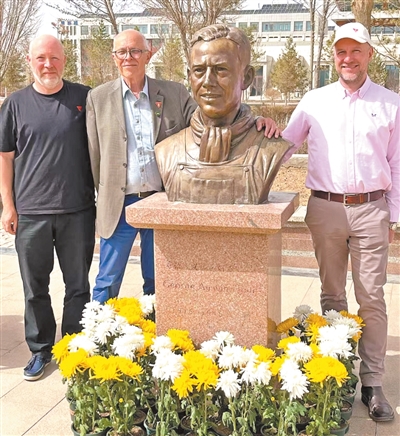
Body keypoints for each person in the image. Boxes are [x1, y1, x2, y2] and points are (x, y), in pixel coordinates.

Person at [86, 29, 279, 303]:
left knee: (159, 281)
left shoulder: (172, 93)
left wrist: (254, 121)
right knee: (107, 281)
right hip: (118, 204)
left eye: (136, 51)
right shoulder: (98, 98)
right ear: (114, 57)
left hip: (160, 200)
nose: (129, 57)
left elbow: (208, 115)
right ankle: (99, 326)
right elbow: (94, 156)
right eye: (122, 52)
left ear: (148, 55)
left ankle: (159, 329)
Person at [283, 22, 399, 422]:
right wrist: (259, 133)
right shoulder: (313, 101)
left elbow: (397, 164)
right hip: (326, 208)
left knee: (372, 298)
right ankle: (336, 373)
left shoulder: (391, 103)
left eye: (355, 51)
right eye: (341, 52)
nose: (348, 59)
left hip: (372, 209)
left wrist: (392, 216)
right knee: (332, 295)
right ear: (334, 57)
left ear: (369, 54)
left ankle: (373, 383)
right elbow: (284, 147)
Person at [0, 35, 95, 381]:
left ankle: (72, 348)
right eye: (41, 58)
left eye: (54, 58)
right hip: (31, 214)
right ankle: (40, 350)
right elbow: (5, 157)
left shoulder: (84, 98)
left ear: (64, 60)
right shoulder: (15, 104)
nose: (48, 65)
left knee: (78, 286)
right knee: (34, 288)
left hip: (77, 211)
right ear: (30, 61)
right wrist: (8, 206)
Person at [155, 24, 291, 204]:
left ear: (246, 77)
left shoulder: (270, 149)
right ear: (189, 76)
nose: (207, 81)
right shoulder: (167, 150)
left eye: (220, 69)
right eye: (199, 70)